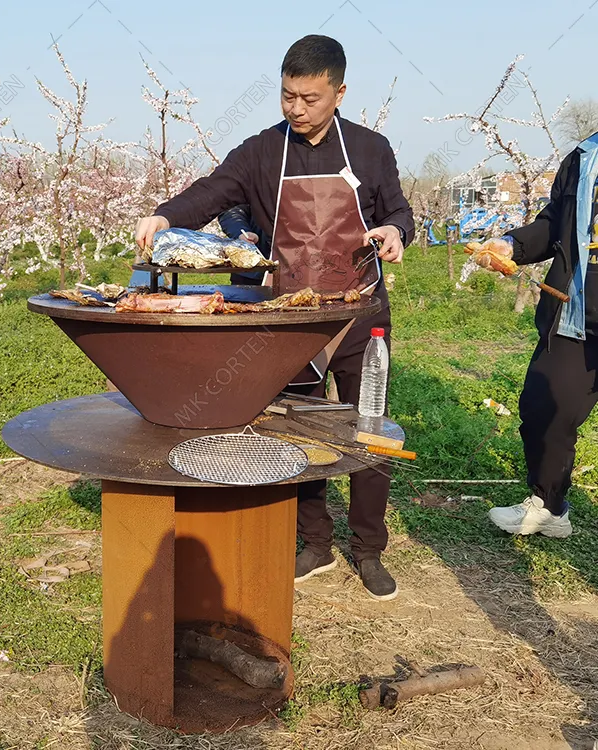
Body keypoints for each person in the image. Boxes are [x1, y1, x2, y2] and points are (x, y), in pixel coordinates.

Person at [135, 35, 414, 600]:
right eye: (287, 95)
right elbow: (213, 191)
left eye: (309, 98)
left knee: (371, 432)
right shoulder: (263, 152)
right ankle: (315, 542)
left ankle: (369, 549)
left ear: (338, 91)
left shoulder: (371, 148)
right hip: (291, 317)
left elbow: (399, 210)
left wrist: (395, 231)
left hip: (361, 314)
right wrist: (164, 216)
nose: (295, 108)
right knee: (297, 433)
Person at [482, 133, 598, 538]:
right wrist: (512, 244)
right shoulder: (585, 157)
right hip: (577, 313)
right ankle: (549, 506)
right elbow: (555, 224)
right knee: (544, 407)